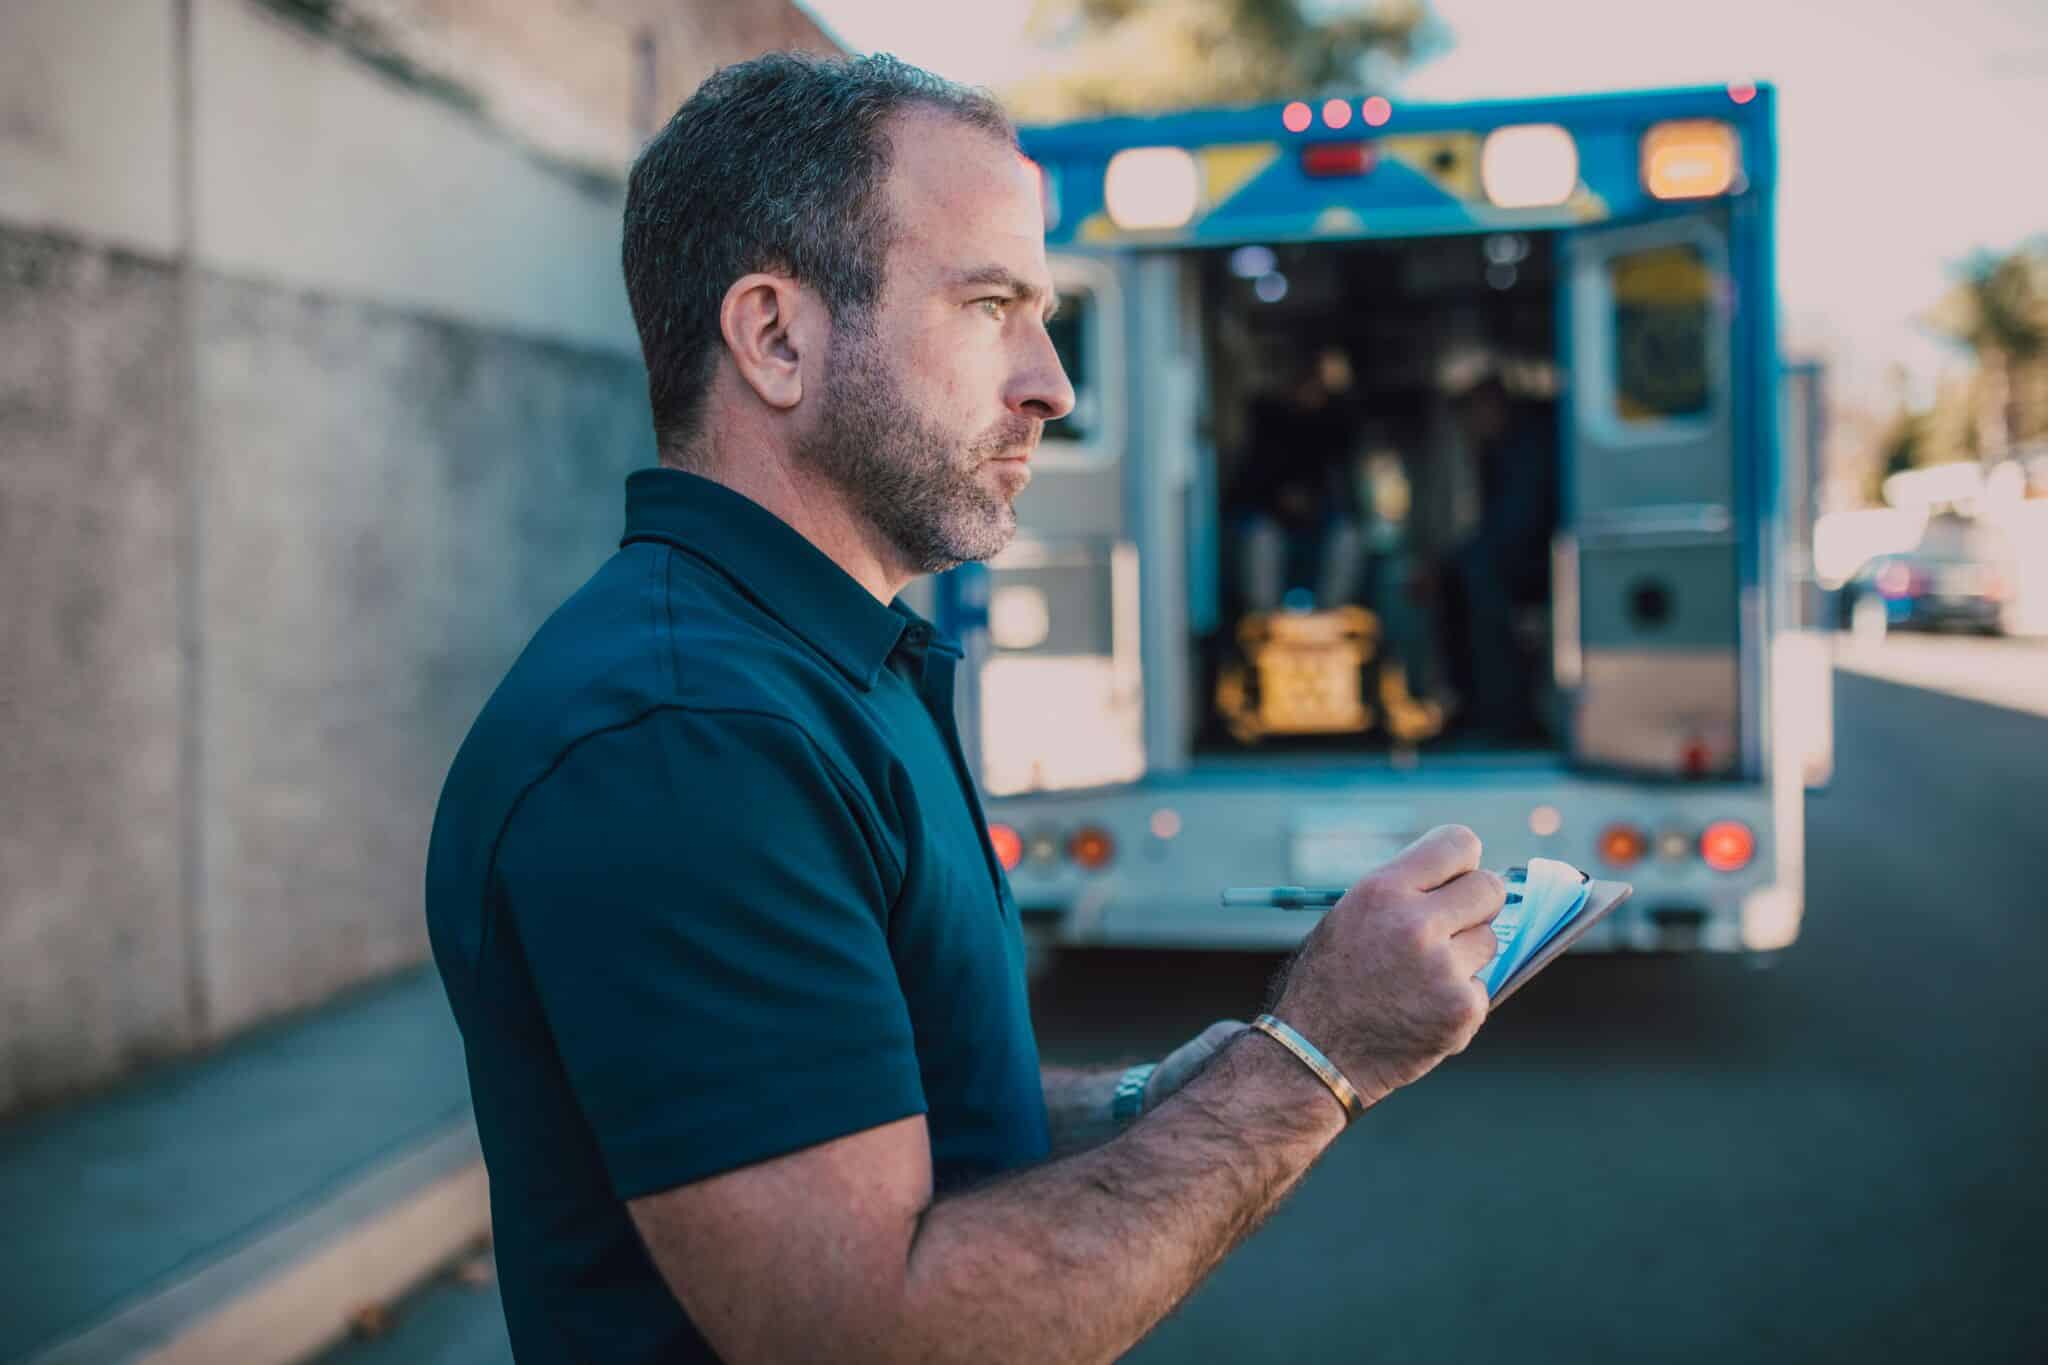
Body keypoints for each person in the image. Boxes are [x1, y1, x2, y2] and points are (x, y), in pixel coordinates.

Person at [425, 53, 1502, 1365]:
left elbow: (880, 1091)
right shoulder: (688, 735)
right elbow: (869, 1334)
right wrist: (1313, 1061)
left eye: (1042, 312)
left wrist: (1153, 1096)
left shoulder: (813, 668)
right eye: (991, 304)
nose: (1052, 382)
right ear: (775, 339)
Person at [1437, 373, 1559, 742]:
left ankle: (1497, 714)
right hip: (1523, 557)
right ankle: (1473, 705)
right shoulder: (1500, 450)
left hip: (1538, 562)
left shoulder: (1526, 448)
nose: (1471, 427)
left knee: (1477, 577)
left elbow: (1516, 526)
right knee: (1465, 574)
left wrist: (1456, 561)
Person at [1231, 347, 1367, 613]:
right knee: (1261, 541)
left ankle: (1332, 616)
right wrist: (1280, 500)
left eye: (1317, 388)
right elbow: (1250, 482)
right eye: (1305, 387)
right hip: (1272, 518)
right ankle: (1265, 620)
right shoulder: (1268, 427)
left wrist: (1313, 502)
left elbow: (1342, 479)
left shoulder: (1335, 427)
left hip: (1321, 521)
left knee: (1348, 539)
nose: (1309, 395)